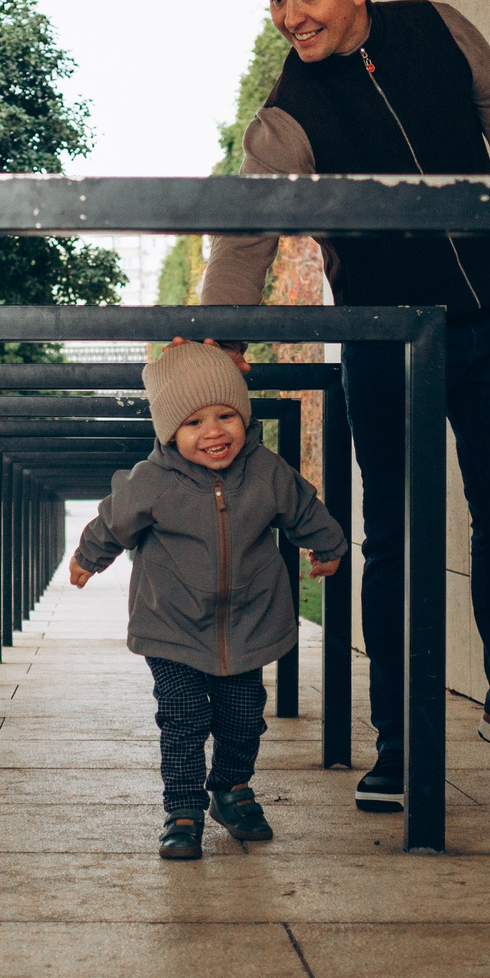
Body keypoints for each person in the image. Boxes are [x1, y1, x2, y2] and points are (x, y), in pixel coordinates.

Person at [198, 0, 490, 809]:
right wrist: (218, 339)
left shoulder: (442, 33)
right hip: (384, 338)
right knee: (396, 539)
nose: (292, 16)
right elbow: (245, 239)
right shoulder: (287, 116)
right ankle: (402, 739)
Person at [67, 342, 345, 860]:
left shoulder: (266, 471)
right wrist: (89, 557)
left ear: (244, 414)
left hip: (248, 624)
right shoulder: (152, 480)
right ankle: (183, 810)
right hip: (171, 626)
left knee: (244, 718)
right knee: (183, 717)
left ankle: (232, 788)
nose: (214, 432)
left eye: (225, 415)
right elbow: (113, 520)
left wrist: (328, 546)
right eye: (194, 423)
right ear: (170, 431)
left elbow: (305, 509)